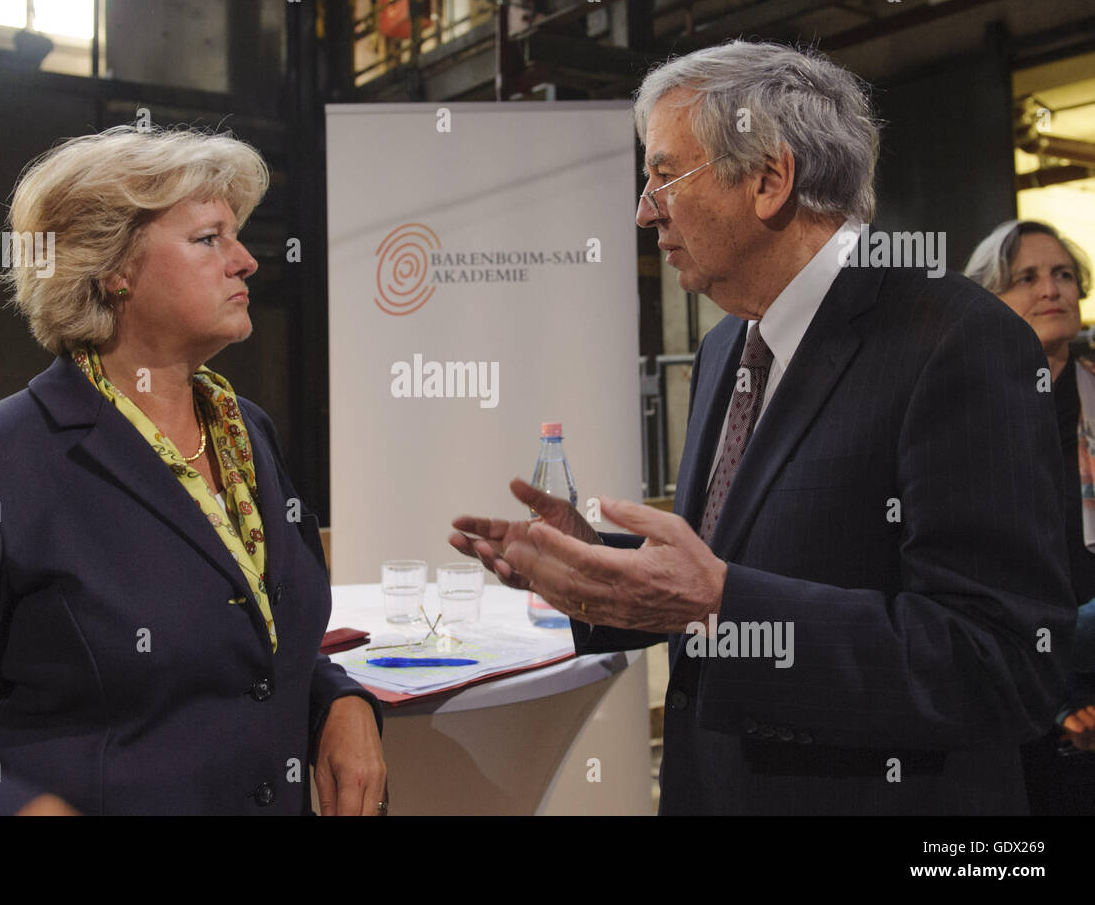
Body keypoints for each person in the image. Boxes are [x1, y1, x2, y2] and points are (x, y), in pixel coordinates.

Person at [450, 41, 1075, 814]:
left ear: (770, 181)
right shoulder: (727, 345)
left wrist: (717, 605)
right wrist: (600, 570)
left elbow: (1004, 662)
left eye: (664, 175)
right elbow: (742, 560)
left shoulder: (957, 340)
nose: (645, 209)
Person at [0, 125, 388, 815]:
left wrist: (340, 699)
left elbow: (262, 641)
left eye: (237, 236)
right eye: (209, 238)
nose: (246, 261)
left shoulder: (248, 432)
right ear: (113, 268)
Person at [964, 218, 1095, 812]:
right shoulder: (962, 414)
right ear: (991, 301)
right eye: (1028, 278)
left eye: (1063, 275)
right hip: (1010, 690)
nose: (1052, 290)